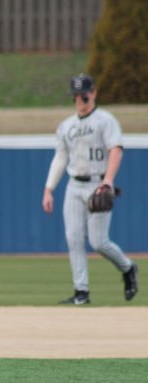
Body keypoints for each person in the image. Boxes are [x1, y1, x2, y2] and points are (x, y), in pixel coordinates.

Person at [42, 73, 138, 305]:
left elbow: (116, 149)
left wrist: (108, 181)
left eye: (83, 96)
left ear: (93, 93)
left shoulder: (105, 120)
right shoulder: (66, 126)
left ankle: (128, 268)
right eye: (75, 97)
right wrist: (49, 189)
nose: (80, 101)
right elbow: (61, 157)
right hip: (74, 185)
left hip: (98, 184)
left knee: (99, 242)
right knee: (73, 238)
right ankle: (81, 292)